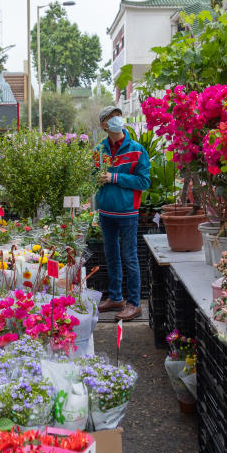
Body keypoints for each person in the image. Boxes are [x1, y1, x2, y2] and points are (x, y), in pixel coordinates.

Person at [94, 106, 150, 322]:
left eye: (118, 115)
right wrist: (96, 178)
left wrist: (115, 178)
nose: (116, 119)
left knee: (129, 257)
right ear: (103, 125)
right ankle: (116, 297)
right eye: (111, 117)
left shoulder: (137, 150)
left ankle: (134, 303)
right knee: (111, 255)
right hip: (106, 212)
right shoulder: (99, 150)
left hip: (128, 213)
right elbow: (91, 176)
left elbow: (144, 181)